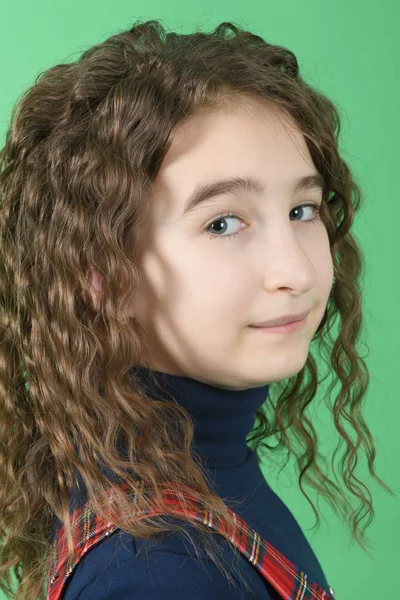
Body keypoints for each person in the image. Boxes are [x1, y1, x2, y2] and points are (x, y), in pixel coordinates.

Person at [0, 17, 394, 600]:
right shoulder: (159, 570)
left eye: (303, 210)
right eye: (223, 223)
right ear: (104, 274)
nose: (299, 271)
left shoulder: (201, 470)